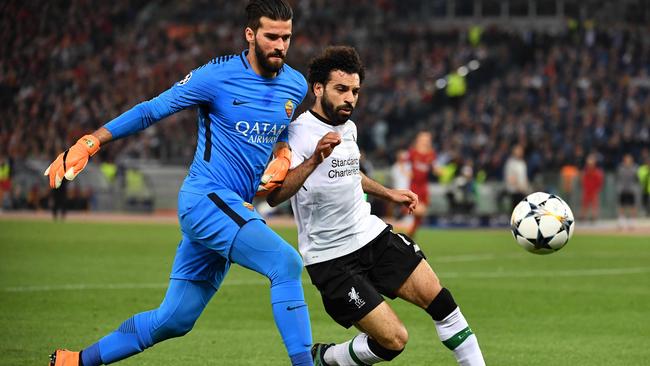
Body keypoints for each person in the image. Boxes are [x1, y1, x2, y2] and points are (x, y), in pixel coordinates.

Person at [45, 1, 316, 365]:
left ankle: (76, 361)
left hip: (232, 208)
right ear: (250, 34)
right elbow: (151, 109)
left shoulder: (295, 85)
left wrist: (282, 154)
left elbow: (278, 132)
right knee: (285, 263)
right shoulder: (216, 76)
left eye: (286, 37)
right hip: (206, 199)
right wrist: (91, 142)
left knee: (174, 320)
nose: (280, 46)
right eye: (271, 36)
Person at [267, 46, 485, 366]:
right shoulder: (296, 134)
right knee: (394, 342)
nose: (350, 99)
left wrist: (388, 193)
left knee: (442, 302)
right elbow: (275, 195)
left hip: (372, 236)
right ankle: (325, 359)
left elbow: (349, 172)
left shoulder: (350, 128)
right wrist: (314, 159)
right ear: (318, 88)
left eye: (355, 91)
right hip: (331, 259)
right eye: (341, 90)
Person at [407, 131, 437, 238]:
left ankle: (409, 235)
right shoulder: (413, 152)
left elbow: (433, 168)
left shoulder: (431, 154)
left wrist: (438, 170)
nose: (426, 141)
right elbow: (404, 163)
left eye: (428, 139)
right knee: (417, 212)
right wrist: (406, 172)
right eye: (424, 139)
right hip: (414, 186)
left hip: (424, 187)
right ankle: (404, 229)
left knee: (420, 215)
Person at [503, 144, 530, 211]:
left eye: (521, 150)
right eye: (518, 150)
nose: (520, 152)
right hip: (515, 192)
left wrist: (526, 188)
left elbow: (524, 177)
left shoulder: (522, 163)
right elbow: (510, 178)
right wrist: (519, 187)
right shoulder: (510, 163)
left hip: (523, 192)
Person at [616, 154, 639, 230]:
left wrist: (634, 188)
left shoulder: (635, 168)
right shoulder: (621, 168)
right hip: (623, 190)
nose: (627, 161)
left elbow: (637, 179)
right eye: (626, 160)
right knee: (622, 206)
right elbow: (618, 178)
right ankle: (621, 222)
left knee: (632, 206)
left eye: (629, 160)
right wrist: (619, 187)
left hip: (631, 190)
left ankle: (632, 222)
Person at [580, 153, 604, 223]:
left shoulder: (596, 172)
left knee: (594, 204)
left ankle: (594, 217)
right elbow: (583, 180)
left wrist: (597, 189)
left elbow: (599, 182)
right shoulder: (586, 171)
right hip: (587, 190)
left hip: (593, 190)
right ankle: (583, 217)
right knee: (585, 203)